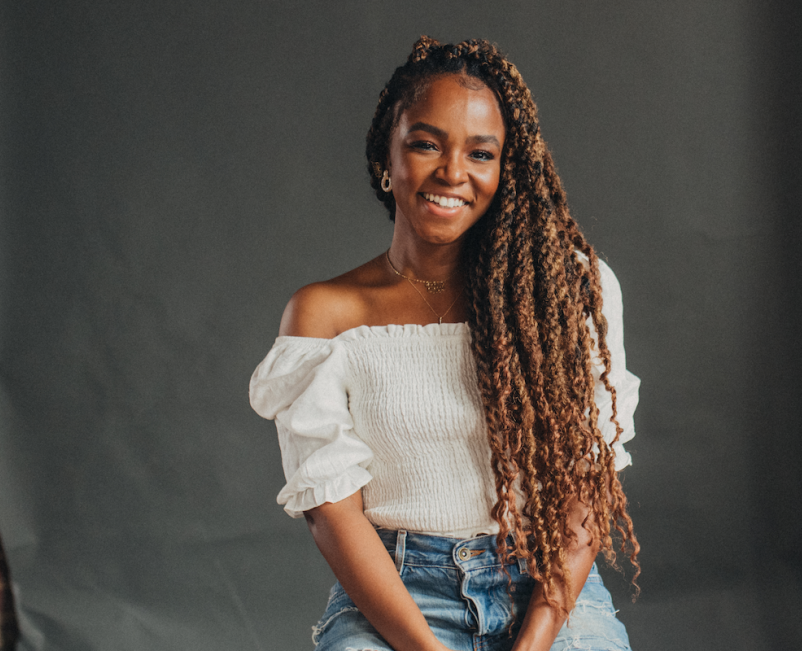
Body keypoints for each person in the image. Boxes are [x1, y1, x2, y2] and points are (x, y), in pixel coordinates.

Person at [249, 36, 640, 651]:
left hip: (546, 588)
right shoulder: (324, 315)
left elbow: (584, 491)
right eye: (427, 144)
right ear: (387, 155)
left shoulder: (566, 293)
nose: (452, 173)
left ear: (505, 168)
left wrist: (533, 643)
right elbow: (332, 512)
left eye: (480, 153)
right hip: (398, 596)